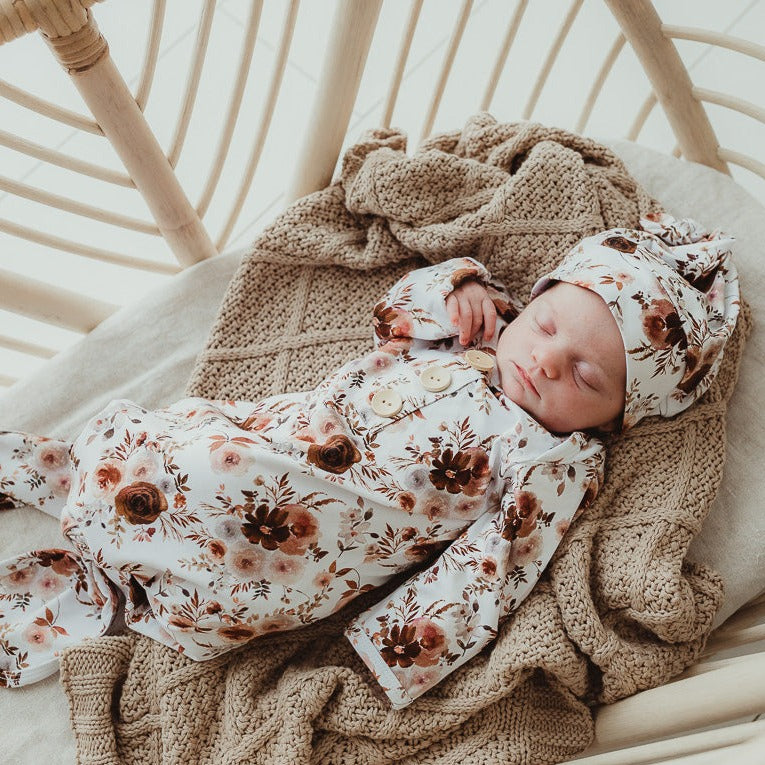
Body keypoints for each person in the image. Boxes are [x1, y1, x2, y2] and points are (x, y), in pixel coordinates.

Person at [0, 213, 738, 708]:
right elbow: (392, 313)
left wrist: (401, 648)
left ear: (618, 415)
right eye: (546, 326)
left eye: (585, 377)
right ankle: (64, 477)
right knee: (186, 453)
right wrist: (457, 284)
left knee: (213, 580)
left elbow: (494, 564)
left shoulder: (553, 460)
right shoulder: (471, 333)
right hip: (270, 441)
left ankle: (108, 589)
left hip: (306, 548)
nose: (546, 362)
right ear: (534, 301)